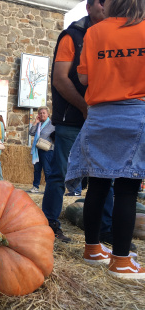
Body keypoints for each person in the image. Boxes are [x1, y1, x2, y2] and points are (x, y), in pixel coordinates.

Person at [65, 0, 145, 279]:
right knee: (127, 187)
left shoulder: (95, 32)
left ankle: (92, 248)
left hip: (99, 115)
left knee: (97, 186)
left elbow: (84, 78)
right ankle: (121, 261)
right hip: (135, 113)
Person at [41, 0, 110, 242]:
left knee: (104, 174)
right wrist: (84, 107)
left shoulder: (113, 35)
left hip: (101, 117)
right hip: (72, 118)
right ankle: (49, 225)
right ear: (90, 7)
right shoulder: (72, 36)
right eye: (103, 4)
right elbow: (60, 79)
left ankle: (105, 229)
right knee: (60, 173)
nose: (107, 8)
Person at [29, 106, 54, 193]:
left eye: (44, 113)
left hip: (47, 150)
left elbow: (56, 136)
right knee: (37, 169)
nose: (42, 114)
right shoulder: (38, 124)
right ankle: (35, 186)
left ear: (48, 114)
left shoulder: (52, 124)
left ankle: (49, 188)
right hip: (37, 150)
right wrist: (35, 123)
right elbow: (31, 133)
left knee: (47, 170)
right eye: (40, 113)